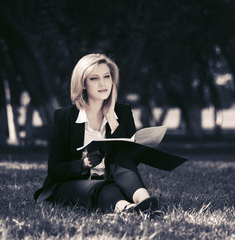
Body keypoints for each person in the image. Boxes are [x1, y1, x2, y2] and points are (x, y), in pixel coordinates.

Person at [34, 53, 158, 213]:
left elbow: (129, 161)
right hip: (72, 184)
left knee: (118, 154)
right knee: (105, 188)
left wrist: (112, 118)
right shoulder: (64, 117)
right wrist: (83, 164)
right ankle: (127, 208)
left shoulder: (123, 112)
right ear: (83, 83)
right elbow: (54, 169)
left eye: (106, 77)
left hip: (112, 180)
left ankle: (145, 201)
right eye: (94, 78)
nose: (102, 83)